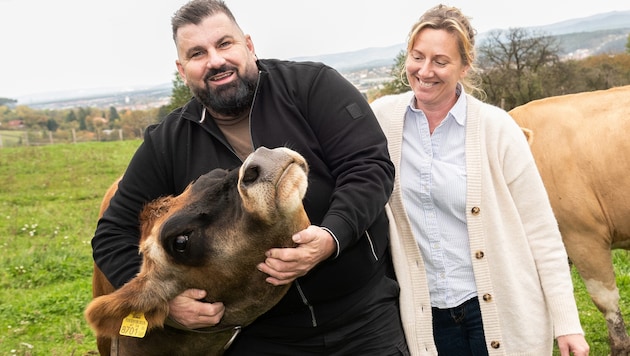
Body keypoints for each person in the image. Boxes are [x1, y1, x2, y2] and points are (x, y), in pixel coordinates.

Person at [91, 0, 409, 355]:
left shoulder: (311, 87)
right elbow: (111, 233)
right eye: (198, 53)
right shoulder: (168, 141)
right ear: (183, 70)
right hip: (259, 336)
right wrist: (164, 303)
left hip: (362, 317)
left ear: (249, 46)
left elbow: (368, 166)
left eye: (224, 44)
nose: (215, 60)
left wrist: (331, 236)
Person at [371, 4, 590, 356]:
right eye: (417, 57)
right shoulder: (382, 119)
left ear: (464, 66)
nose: (424, 71)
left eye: (440, 61)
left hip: (499, 308)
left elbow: (542, 233)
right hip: (427, 315)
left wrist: (567, 324)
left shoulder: (497, 128)